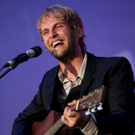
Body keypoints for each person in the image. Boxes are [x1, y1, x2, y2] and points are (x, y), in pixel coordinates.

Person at [12, 5, 135, 135]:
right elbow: (22, 120)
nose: (52, 35)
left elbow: (127, 123)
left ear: (78, 31)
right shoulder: (49, 80)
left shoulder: (113, 67)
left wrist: (89, 122)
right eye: (45, 32)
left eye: (58, 27)